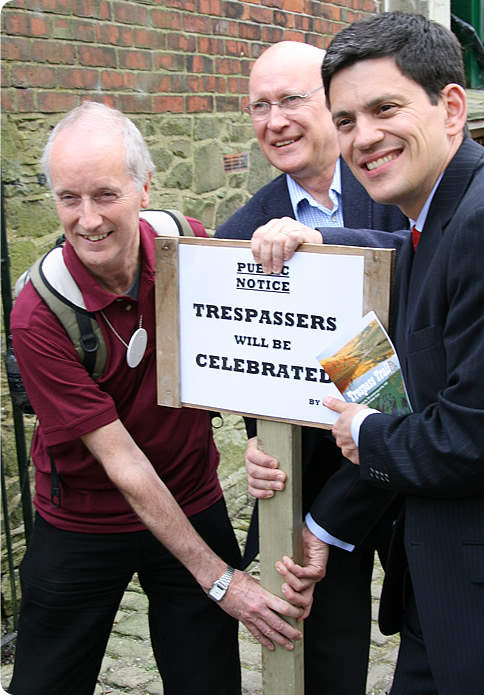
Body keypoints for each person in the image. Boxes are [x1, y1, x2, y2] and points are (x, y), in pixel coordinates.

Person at [8, 101, 309, 695]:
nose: (88, 219)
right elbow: (119, 460)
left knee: (207, 680)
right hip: (84, 520)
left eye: (105, 195)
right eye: (70, 198)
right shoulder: (38, 313)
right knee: (47, 681)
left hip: (190, 494)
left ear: (144, 187)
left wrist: (299, 240)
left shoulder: (189, 250)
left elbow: (265, 341)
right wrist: (221, 580)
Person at [282, 12, 484, 695]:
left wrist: (360, 429)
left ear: (451, 107)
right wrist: (318, 246)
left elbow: (472, 439)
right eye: (347, 120)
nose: (364, 138)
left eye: (385, 108)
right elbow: (408, 261)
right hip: (436, 592)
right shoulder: (435, 216)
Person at [215, 41, 407, 695]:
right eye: (259, 106)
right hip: (324, 489)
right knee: (329, 671)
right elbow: (249, 372)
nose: (275, 121)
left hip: (421, 478)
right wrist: (260, 447)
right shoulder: (239, 233)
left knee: (446, 653)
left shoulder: (395, 186)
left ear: (332, 99)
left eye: (291, 99)